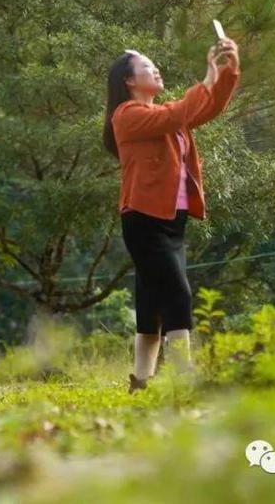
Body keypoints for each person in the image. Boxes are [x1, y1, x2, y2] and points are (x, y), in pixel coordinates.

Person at [103, 38, 240, 392]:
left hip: (171, 218)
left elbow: (206, 110)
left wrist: (227, 71)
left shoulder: (162, 115)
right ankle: (183, 379)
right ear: (129, 81)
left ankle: (140, 382)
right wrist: (206, 79)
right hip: (144, 219)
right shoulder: (127, 115)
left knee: (151, 301)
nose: (156, 70)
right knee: (178, 295)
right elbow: (178, 113)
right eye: (148, 67)